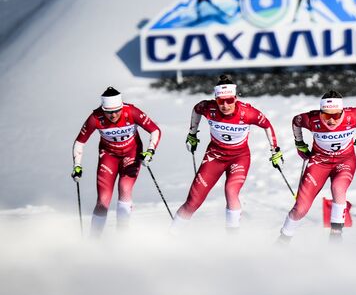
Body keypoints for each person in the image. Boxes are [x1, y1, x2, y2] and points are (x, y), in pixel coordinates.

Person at [171, 75, 283, 232]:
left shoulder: (247, 113)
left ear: (235, 98)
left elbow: (267, 125)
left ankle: (232, 239)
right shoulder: (208, 108)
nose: (225, 105)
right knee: (193, 201)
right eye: (220, 101)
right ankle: (172, 235)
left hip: (239, 157)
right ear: (215, 99)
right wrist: (192, 133)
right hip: (214, 156)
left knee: (231, 190)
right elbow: (197, 109)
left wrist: (275, 150)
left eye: (229, 100)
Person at [278, 90, 356, 241]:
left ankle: (335, 237)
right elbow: (296, 121)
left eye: (336, 115)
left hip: (345, 161)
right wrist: (299, 144)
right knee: (300, 209)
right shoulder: (311, 119)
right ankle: (283, 239)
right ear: (320, 112)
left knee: (338, 188)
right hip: (319, 162)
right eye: (327, 115)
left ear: (342, 111)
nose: (331, 120)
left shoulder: (352, 116)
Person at [71, 87, 161, 236]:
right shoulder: (95, 118)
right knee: (103, 200)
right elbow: (80, 142)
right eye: (108, 112)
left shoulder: (132, 112)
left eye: (116, 111)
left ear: (121, 106)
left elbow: (155, 130)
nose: (113, 115)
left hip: (131, 153)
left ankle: (122, 236)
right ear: (103, 109)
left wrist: (150, 151)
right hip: (109, 156)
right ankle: (93, 240)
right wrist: (77, 166)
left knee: (125, 188)